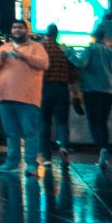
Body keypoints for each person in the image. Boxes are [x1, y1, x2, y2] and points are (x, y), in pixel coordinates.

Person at [0, 22, 49, 176]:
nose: (17, 30)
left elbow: (44, 63)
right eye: (14, 27)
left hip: (28, 99)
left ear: (26, 31)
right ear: (11, 30)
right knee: (11, 133)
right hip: (6, 98)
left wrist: (23, 55)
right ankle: (12, 163)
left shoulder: (36, 47)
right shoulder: (5, 47)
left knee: (30, 133)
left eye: (20, 27)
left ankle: (31, 164)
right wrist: (1, 58)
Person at [79, 29, 112, 169]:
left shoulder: (90, 50)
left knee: (94, 122)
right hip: (108, 92)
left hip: (92, 91)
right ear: (104, 37)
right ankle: (104, 153)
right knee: (103, 122)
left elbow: (81, 64)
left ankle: (101, 149)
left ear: (93, 36)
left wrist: (67, 52)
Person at [38, 24, 78, 166]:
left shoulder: (40, 48)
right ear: (56, 35)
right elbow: (73, 72)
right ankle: (64, 147)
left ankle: (47, 158)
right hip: (62, 89)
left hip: (44, 89)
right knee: (62, 122)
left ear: (46, 33)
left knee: (44, 122)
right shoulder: (64, 50)